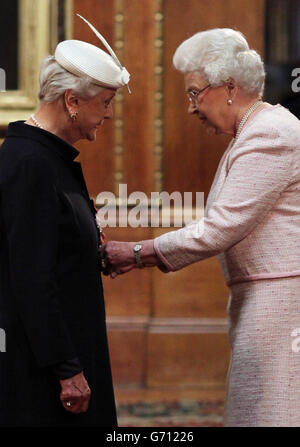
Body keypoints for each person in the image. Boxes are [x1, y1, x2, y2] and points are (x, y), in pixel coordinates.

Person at [102, 28, 300, 426]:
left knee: (271, 415)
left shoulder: (271, 134)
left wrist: (138, 252)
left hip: (282, 304)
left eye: (194, 93)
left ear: (229, 86)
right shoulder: (251, 132)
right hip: (262, 298)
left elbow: (218, 228)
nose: (191, 107)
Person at [0, 15, 130, 426]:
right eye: (105, 103)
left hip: (67, 347)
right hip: (44, 372)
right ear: (72, 101)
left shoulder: (49, 157)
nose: (108, 115)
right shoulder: (30, 163)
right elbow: (32, 279)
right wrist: (67, 369)